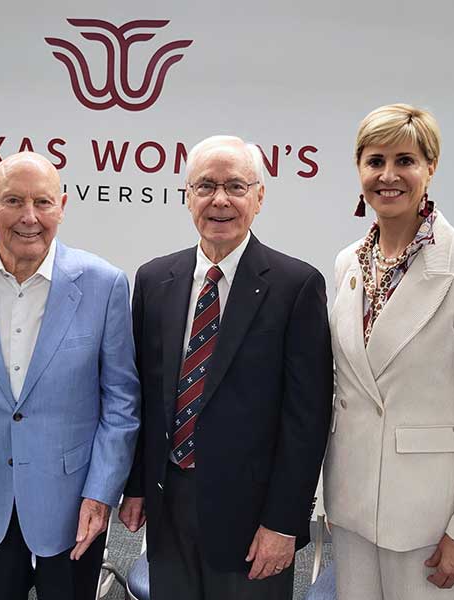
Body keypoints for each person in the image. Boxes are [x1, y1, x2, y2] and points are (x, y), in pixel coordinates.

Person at [119, 135, 333, 600]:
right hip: (169, 503)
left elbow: (307, 419)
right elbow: (145, 397)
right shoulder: (155, 279)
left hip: (253, 516)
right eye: (206, 186)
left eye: (236, 186)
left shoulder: (296, 286)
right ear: (187, 196)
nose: (220, 200)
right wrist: (136, 486)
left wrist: (283, 521)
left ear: (259, 197)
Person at [0, 151, 140, 600]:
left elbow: (121, 403)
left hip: (73, 500)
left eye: (42, 202)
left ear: (62, 205)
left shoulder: (104, 284)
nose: (29, 217)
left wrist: (101, 493)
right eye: (13, 201)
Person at [323, 103, 454, 599]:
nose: (388, 175)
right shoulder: (349, 262)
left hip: (429, 513)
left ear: (431, 168)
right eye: (375, 161)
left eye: (405, 160)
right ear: (359, 169)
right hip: (351, 498)